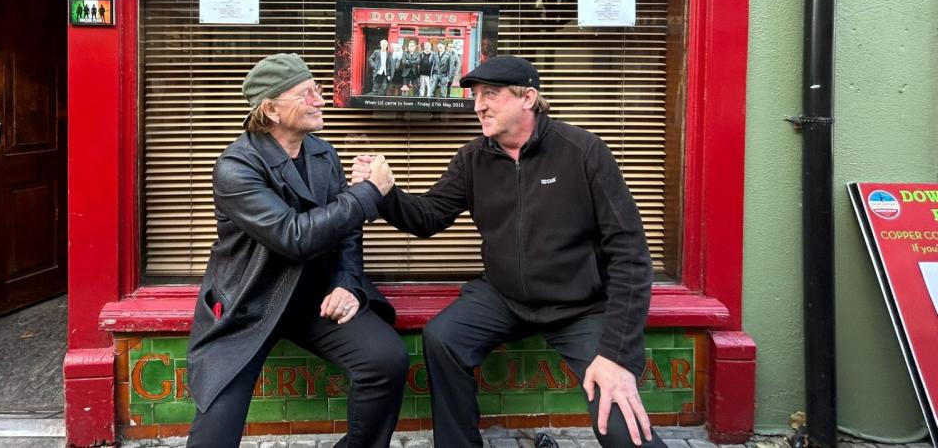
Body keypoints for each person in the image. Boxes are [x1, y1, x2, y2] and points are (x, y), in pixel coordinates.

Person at [351, 55, 666, 448]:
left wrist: (618, 355)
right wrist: (383, 193)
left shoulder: (583, 152)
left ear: (528, 98)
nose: (478, 105)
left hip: (579, 305)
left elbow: (631, 255)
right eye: (476, 96)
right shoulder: (473, 158)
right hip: (504, 296)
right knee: (443, 337)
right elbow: (429, 216)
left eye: (491, 94)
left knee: (620, 421)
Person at [186, 53, 407, 448]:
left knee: (386, 361)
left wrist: (346, 283)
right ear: (271, 109)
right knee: (214, 430)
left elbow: (347, 233)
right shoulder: (237, 167)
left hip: (314, 301)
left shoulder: (323, 153)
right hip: (250, 305)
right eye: (307, 94)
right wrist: (370, 191)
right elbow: (294, 236)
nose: (320, 100)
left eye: (317, 90)